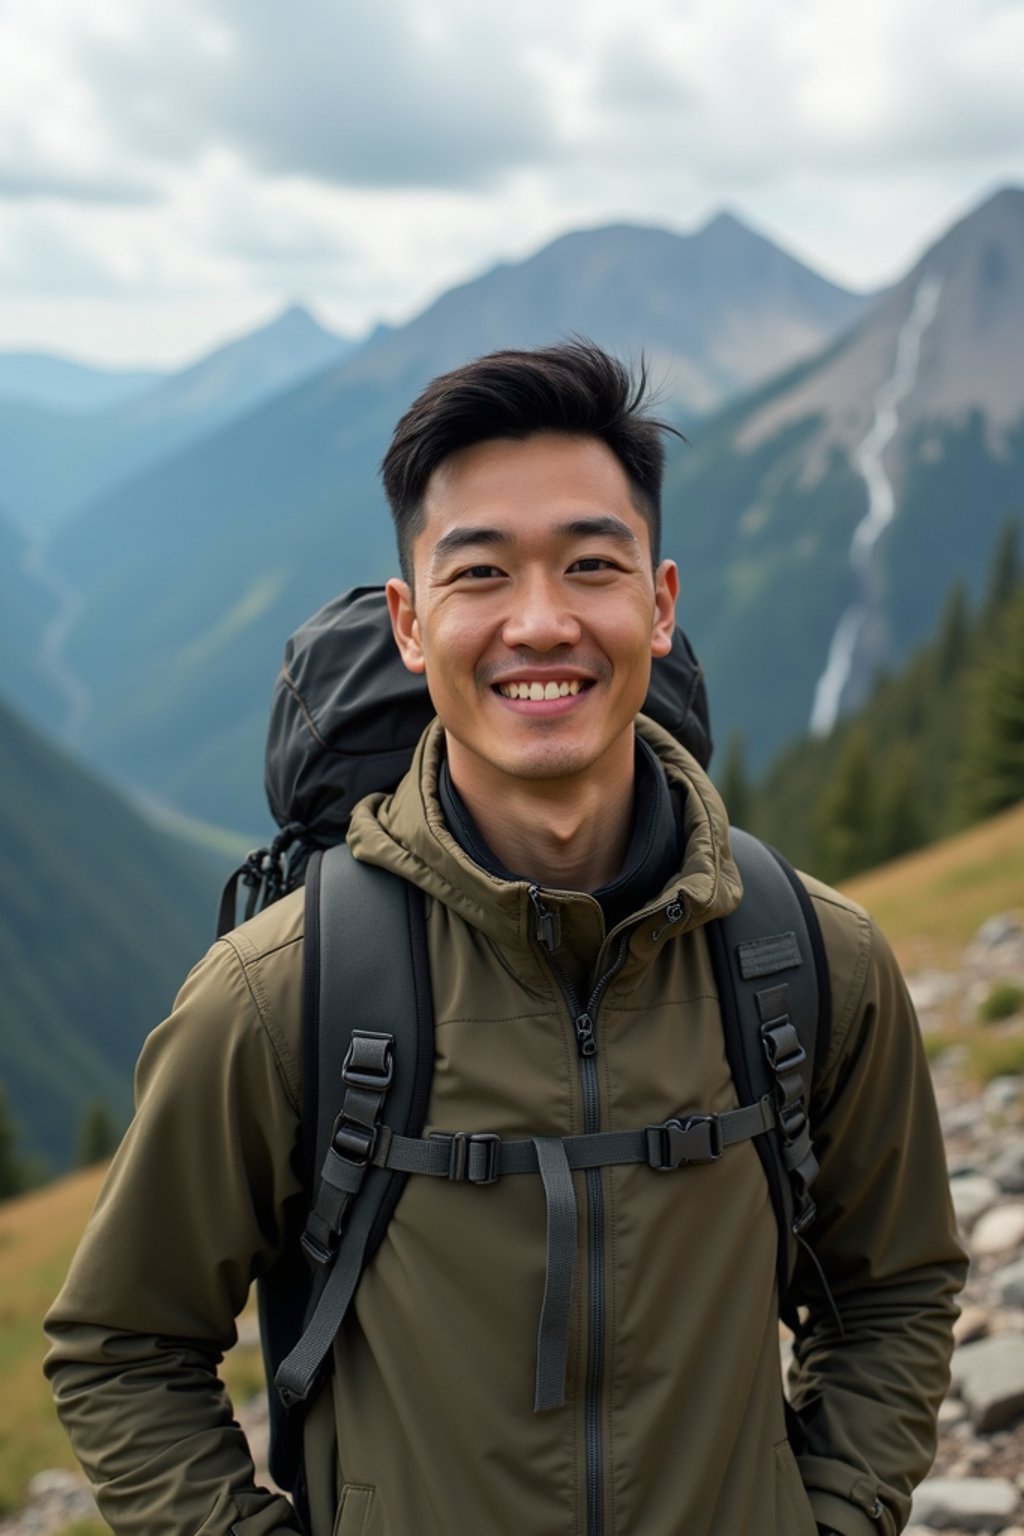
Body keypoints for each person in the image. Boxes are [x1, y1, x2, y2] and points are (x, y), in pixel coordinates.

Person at [45, 341, 966, 1536]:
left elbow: (893, 1289)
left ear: (660, 602)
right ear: (411, 623)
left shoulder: (809, 961)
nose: (541, 623)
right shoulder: (284, 996)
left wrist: (830, 1519)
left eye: (591, 564)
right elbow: (122, 1345)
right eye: (479, 574)